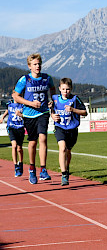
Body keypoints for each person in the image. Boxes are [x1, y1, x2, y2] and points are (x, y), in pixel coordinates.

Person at [12, 53, 56, 184]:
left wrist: (52, 101)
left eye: (39, 64)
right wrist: (30, 103)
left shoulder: (47, 78)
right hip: (29, 114)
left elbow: (53, 89)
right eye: (35, 64)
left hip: (43, 112)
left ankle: (43, 169)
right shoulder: (25, 79)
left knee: (43, 137)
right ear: (29, 66)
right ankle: (32, 168)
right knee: (33, 142)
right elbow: (15, 96)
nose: (38, 66)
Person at [50, 78, 87, 186]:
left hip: (72, 130)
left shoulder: (75, 99)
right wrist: (52, 115)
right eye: (63, 89)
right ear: (59, 89)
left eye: (68, 89)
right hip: (60, 127)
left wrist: (73, 110)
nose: (65, 92)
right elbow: (51, 109)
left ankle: (66, 167)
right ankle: (64, 174)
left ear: (71, 89)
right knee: (62, 149)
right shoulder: (55, 99)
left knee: (68, 151)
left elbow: (85, 112)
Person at [0, 99, 25, 177]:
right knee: (14, 146)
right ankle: (16, 166)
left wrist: (20, 114)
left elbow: (26, 116)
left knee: (19, 148)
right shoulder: (10, 104)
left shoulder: (23, 105)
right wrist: (3, 117)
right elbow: (7, 110)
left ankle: (20, 163)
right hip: (11, 127)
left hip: (20, 127)